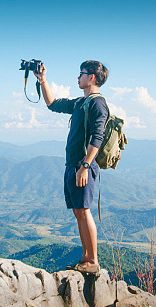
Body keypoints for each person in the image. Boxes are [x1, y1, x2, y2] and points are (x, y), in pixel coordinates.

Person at [34, 60, 109, 274]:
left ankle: (92, 260)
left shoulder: (97, 104)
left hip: (82, 166)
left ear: (92, 77)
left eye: (82, 73)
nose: (78, 77)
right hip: (73, 166)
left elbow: (98, 136)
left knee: (84, 211)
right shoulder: (79, 103)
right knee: (78, 212)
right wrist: (42, 80)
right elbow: (53, 104)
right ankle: (85, 258)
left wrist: (85, 166)